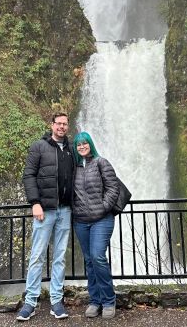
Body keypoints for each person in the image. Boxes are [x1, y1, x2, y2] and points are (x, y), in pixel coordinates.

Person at [16, 113, 74, 321]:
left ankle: (56, 300)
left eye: (65, 124)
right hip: (45, 210)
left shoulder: (71, 149)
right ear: (51, 125)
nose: (61, 127)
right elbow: (28, 175)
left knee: (59, 257)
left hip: (65, 210)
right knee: (37, 255)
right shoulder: (39, 147)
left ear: (68, 126)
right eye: (58, 123)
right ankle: (30, 301)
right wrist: (35, 203)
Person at [72, 132, 119, 320]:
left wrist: (103, 207)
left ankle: (109, 300)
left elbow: (113, 188)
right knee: (89, 260)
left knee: (98, 256)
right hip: (81, 221)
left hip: (102, 219)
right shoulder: (74, 168)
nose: (82, 146)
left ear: (90, 144)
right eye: (79, 144)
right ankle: (94, 300)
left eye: (85, 143)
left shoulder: (101, 162)